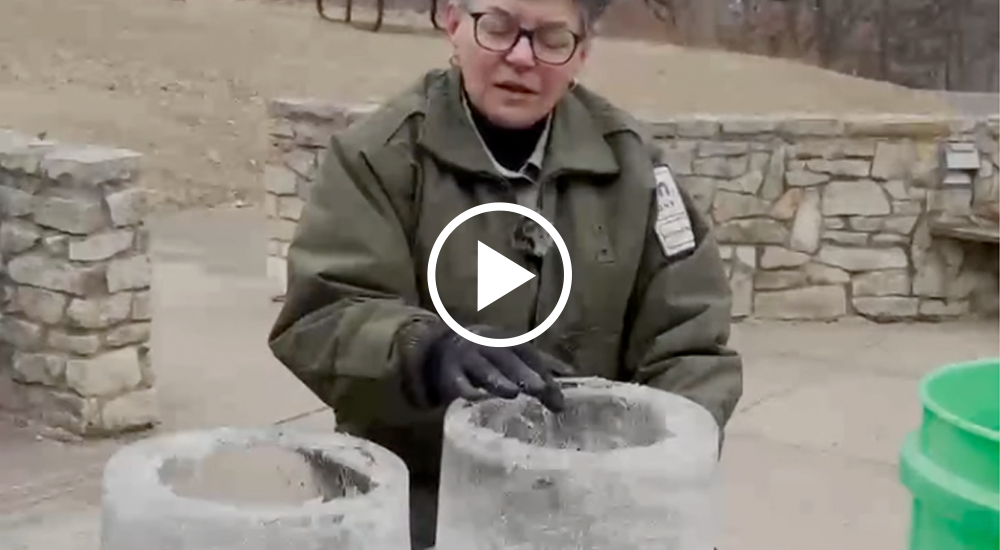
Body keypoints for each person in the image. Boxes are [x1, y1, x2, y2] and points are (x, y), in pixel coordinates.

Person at [268, 0, 743, 546]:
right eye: (497, 27)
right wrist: (426, 350)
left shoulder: (635, 170)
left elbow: (691, 350)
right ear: (453, 22)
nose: (521, 57)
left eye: (551, 38)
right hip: (426, 507)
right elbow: (323, 313)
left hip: (596, 511)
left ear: (582, 53)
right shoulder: (378, 158)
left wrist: (654, 467)